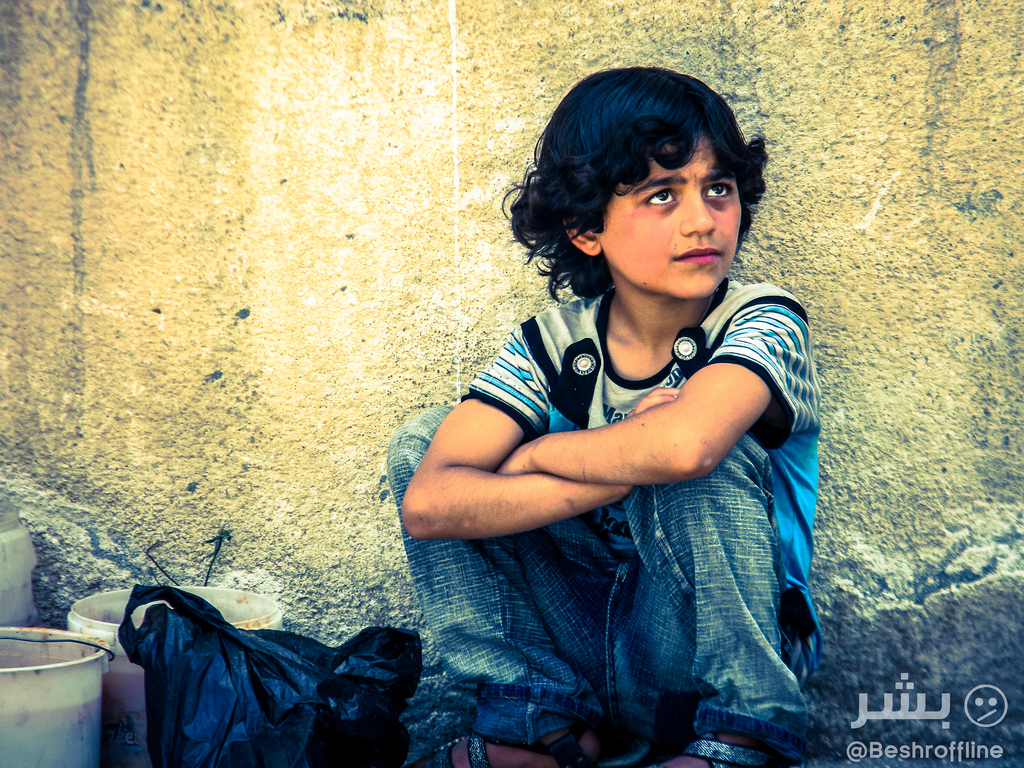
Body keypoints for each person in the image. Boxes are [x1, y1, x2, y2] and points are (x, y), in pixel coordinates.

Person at [387, 66, 822, 768]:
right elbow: (431, 501)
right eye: (661, 195)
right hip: (577, 657)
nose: (703, 219)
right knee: (422, 440)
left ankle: (745, 734)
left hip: (687, 664)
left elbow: (685, 448)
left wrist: (535, 457)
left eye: (718, 188)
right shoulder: (555, 344)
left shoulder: (761, 318)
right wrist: (622, 458)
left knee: (709, 460)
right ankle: (542, 725)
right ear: (587, 228)